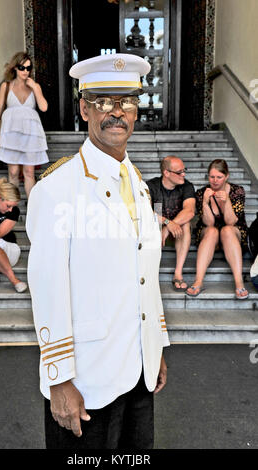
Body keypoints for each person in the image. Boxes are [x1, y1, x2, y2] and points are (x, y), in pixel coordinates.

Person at [26, 53, 169, 449]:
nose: (116, 112)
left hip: (137, 372)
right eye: (104, 101)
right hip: (86, 382)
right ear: (85, 108)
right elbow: (48, 287)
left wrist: (155, 347)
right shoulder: (57, 189)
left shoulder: (138, 183)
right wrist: (58, 379)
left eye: (126, 102)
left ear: (137, 111)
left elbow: (145, 275)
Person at [186, 159, 248, 299]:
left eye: (219, 177)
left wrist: (226, 202)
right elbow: (208, 223)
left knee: (226, 230)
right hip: (209, 232)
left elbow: (231, 222)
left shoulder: (237, 191)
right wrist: (205, 203)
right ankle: (198, 281)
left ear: (226, 176)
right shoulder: (202, 192)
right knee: (213, 231)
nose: (215, 181)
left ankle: (239, 282)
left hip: (233, 232)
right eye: (211, 177)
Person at [0, 51, 48, 198]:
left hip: (31, 133)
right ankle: (13, 207)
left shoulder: (34, 86)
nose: (25, 71)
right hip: (11, 133)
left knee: (29, 172)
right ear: (15, 68)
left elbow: (44, 107)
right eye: (22, 68)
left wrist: (36, 88)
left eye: (28, 68)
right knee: (13, 172)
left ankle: (32, 208)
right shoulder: (6, 86)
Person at [147, 156, 196, 291]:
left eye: (184, 170)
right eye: (179, 172)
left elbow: (190, 211)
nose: (183, 174)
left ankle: (178, 273)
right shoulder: (151, 186)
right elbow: (147, 213)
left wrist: (169, 226)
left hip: (177, 232)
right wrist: (166, 222)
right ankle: (150, 273)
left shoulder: (187, 186)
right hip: (157, 229)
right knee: (153, 225)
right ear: (166, 173)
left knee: (185, 224)